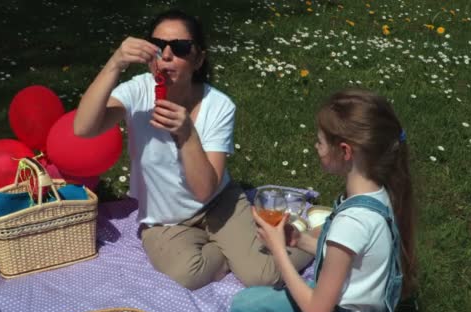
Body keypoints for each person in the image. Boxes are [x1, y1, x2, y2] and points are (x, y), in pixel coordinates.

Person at [73, 9, 312, 290]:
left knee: (262, 275)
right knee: (187, 275)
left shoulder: (218, 105)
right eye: (158, 46)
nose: (167, 55)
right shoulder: (138, 91)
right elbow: (83, 128)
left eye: (181, 48)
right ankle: (231, 253)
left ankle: (318, 239)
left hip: (218, 203)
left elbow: (205, 190)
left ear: (198, 58)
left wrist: (187, 134)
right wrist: (115, 64)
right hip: (166, 220)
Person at [196, 90, 417, 312]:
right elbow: (348, 258)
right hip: (337, 306)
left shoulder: (353, 222)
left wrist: (279, 251)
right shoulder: (378, 194)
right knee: (242, 303)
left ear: (345, 151)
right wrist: (299, 240)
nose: (316, 146)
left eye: (320, 141)